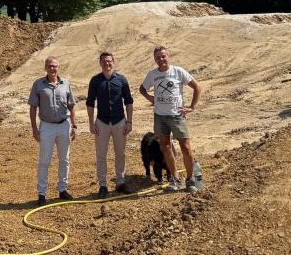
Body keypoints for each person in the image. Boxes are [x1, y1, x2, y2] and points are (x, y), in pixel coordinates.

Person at [139, 46, 203, 192]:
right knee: (166, 147)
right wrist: (150, 98)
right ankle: (174, 179)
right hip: (160, 117)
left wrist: (192, 107)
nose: (161, 59)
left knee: (186, 147)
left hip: (177, 116)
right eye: (157, 57)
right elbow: (142, 89)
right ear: (155, 59)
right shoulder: (152, 74)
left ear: (168, 56)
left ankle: (190, 179)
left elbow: (197, 87)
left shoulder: (178, 71)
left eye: (163, 56)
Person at [29, 56, 78, 205]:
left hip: (64, 126)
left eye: (55, 66)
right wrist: (34, 129)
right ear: (45, 68)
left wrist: (74, 125)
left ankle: (63, 189)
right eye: (50, 66)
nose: (52, 68)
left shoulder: (66, 84)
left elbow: (71, 106)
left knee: (64, 159)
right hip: (47, 127)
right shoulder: (38, 85)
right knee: (44, 161)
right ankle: (41, 193)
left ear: (58, 68)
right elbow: (33, 107)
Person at [85, 52, 135, 198]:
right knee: (101, 155)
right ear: (100, 63)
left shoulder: (122, 80)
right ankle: (103, 185)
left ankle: (120, 182)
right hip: (102, 123)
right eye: (104, 61)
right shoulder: (95, 81)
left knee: (120, 154)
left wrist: (129, 121)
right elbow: (90, 102)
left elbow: (129, 101)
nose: (107, 63)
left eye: (109, 61)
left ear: (113, 62)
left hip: (120, 122)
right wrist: (91, 123)